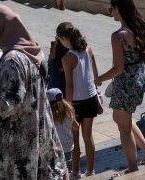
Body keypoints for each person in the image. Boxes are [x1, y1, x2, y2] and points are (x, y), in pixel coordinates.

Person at [0, 5, 65, 180]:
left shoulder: (13, 60)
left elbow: (8, 105)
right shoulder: (33, 52)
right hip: (37, 135)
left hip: (17, 144)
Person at [95, 0, 145, 172]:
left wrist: (99, 79)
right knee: (124, 119)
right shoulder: (138, 28)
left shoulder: (118, 36)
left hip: (126, 83)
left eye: (111, 9)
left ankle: (132, 167)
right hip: (139, 79)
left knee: (123, 128)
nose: (110, 12)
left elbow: (118, 68)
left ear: (118, 9)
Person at [56, 22, 99, 178]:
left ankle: (75, 172)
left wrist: (68, 109)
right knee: (88, 136)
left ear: (63, 38)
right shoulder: (89, 48)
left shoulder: (67, 58)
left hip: (77, 103)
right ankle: (90, 171)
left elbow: (69, 86)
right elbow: (95, 75)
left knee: (75, 138)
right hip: (91, 98)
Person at [47, 88, 76, 171]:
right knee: (64, 168)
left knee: (55, 169)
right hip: (67, 147)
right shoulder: (69, 111)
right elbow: (76, 127)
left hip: (54, 148)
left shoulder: (49, 115)